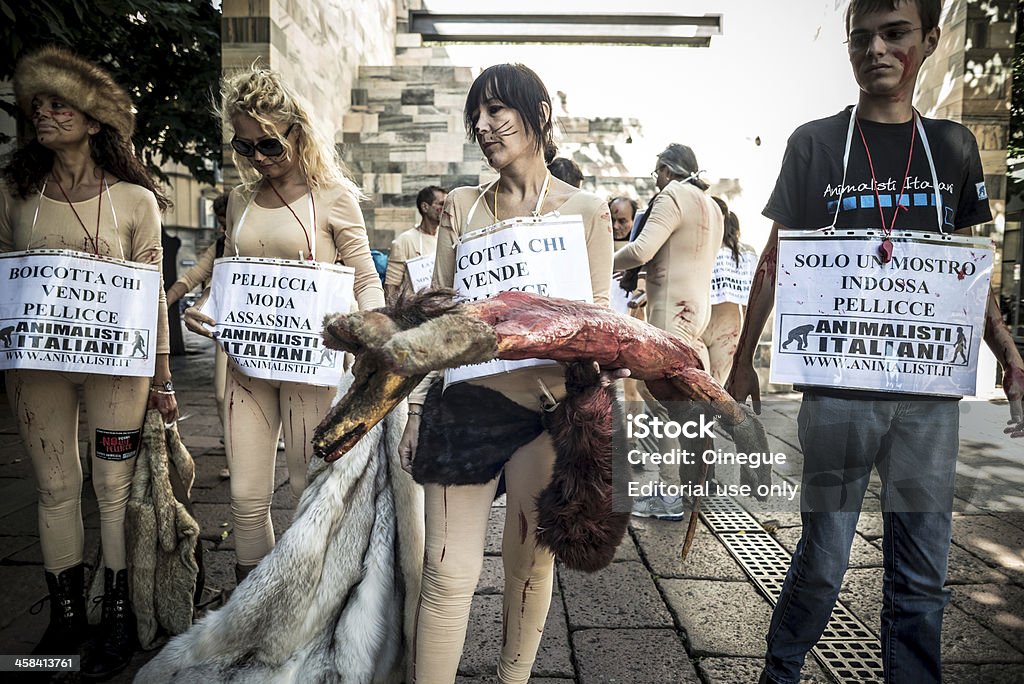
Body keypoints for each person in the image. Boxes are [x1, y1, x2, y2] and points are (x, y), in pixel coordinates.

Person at [725, 2, 1024, 682]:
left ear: (929, 40)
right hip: (836, 396)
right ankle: (781, 671)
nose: (877, 51)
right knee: (825, 562)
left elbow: (968, 266)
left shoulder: (953, 149)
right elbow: (775, 259)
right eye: (862, 38)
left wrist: (1004, 350)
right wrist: (743, 359)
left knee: (922, 575)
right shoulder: (815, 143)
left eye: (895, 35)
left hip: (927, 402)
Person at [399, 63, 613, 683]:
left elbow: (599, 317)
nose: (485, 126)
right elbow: (434, 322)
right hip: (464, 408)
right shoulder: (461, 207)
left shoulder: (588, 210)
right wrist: (415, 410)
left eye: (497, 110)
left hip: (548, 413)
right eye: (478, 116)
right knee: (446, 574)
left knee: (530, 568)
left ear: (538, 113)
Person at [1, 46, 177, 677]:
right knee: (53, 486)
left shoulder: (134, 201)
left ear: (97, 120)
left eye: (59, 104)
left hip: (117, 366)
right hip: (35, 365)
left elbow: (153, 292)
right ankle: (66, 613)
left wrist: (161, 377)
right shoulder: (16, 194)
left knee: (113, 485)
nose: (44, 114)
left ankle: (119, 613)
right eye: (37, 105)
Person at [184, 66, 385, 584]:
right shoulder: (241, 200)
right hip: (245, 366)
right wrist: (206, 305)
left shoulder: (334, 197)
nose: (257, 159)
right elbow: (228, 276)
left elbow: (364, 275)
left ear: (299, 131)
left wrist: (373, 335)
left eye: (269, 145)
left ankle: (308, 605)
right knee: (246, 496)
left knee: (306, 489)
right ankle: (252, 610)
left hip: (310, 368)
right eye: (245, 147)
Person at [613, 143, 723, 520]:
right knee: (680, 405)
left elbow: (641, 250)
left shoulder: (673, 194)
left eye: (655, 172)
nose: (655, 180)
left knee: (661, 401)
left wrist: (596, 262)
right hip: (693, 313)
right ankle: (682, 487)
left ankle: (670, 494)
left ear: (665, 169)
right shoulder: (712, 204)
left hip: (671, 316)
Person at [168, 193, 232, 479]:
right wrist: (163, 302)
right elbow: (192, 276)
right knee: (221, 394)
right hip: (227, 327)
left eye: (225, 222)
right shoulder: (219, 246)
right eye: (219, 223)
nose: (221, 229)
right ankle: (235, 453)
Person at [702, 197, 757, 384]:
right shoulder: (745, 254)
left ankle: (708, 415)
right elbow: (748, 302)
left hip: (714, 326)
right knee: (712, 386)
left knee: (705, 386)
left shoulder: (744, 253)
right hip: (724, 327)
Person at [384, 185, 446, 303]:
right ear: (425, 207)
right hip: (414, 312)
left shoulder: (446, 238)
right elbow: (391, 287)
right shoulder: (404, 240)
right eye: (441, 204)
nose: (445, 208)